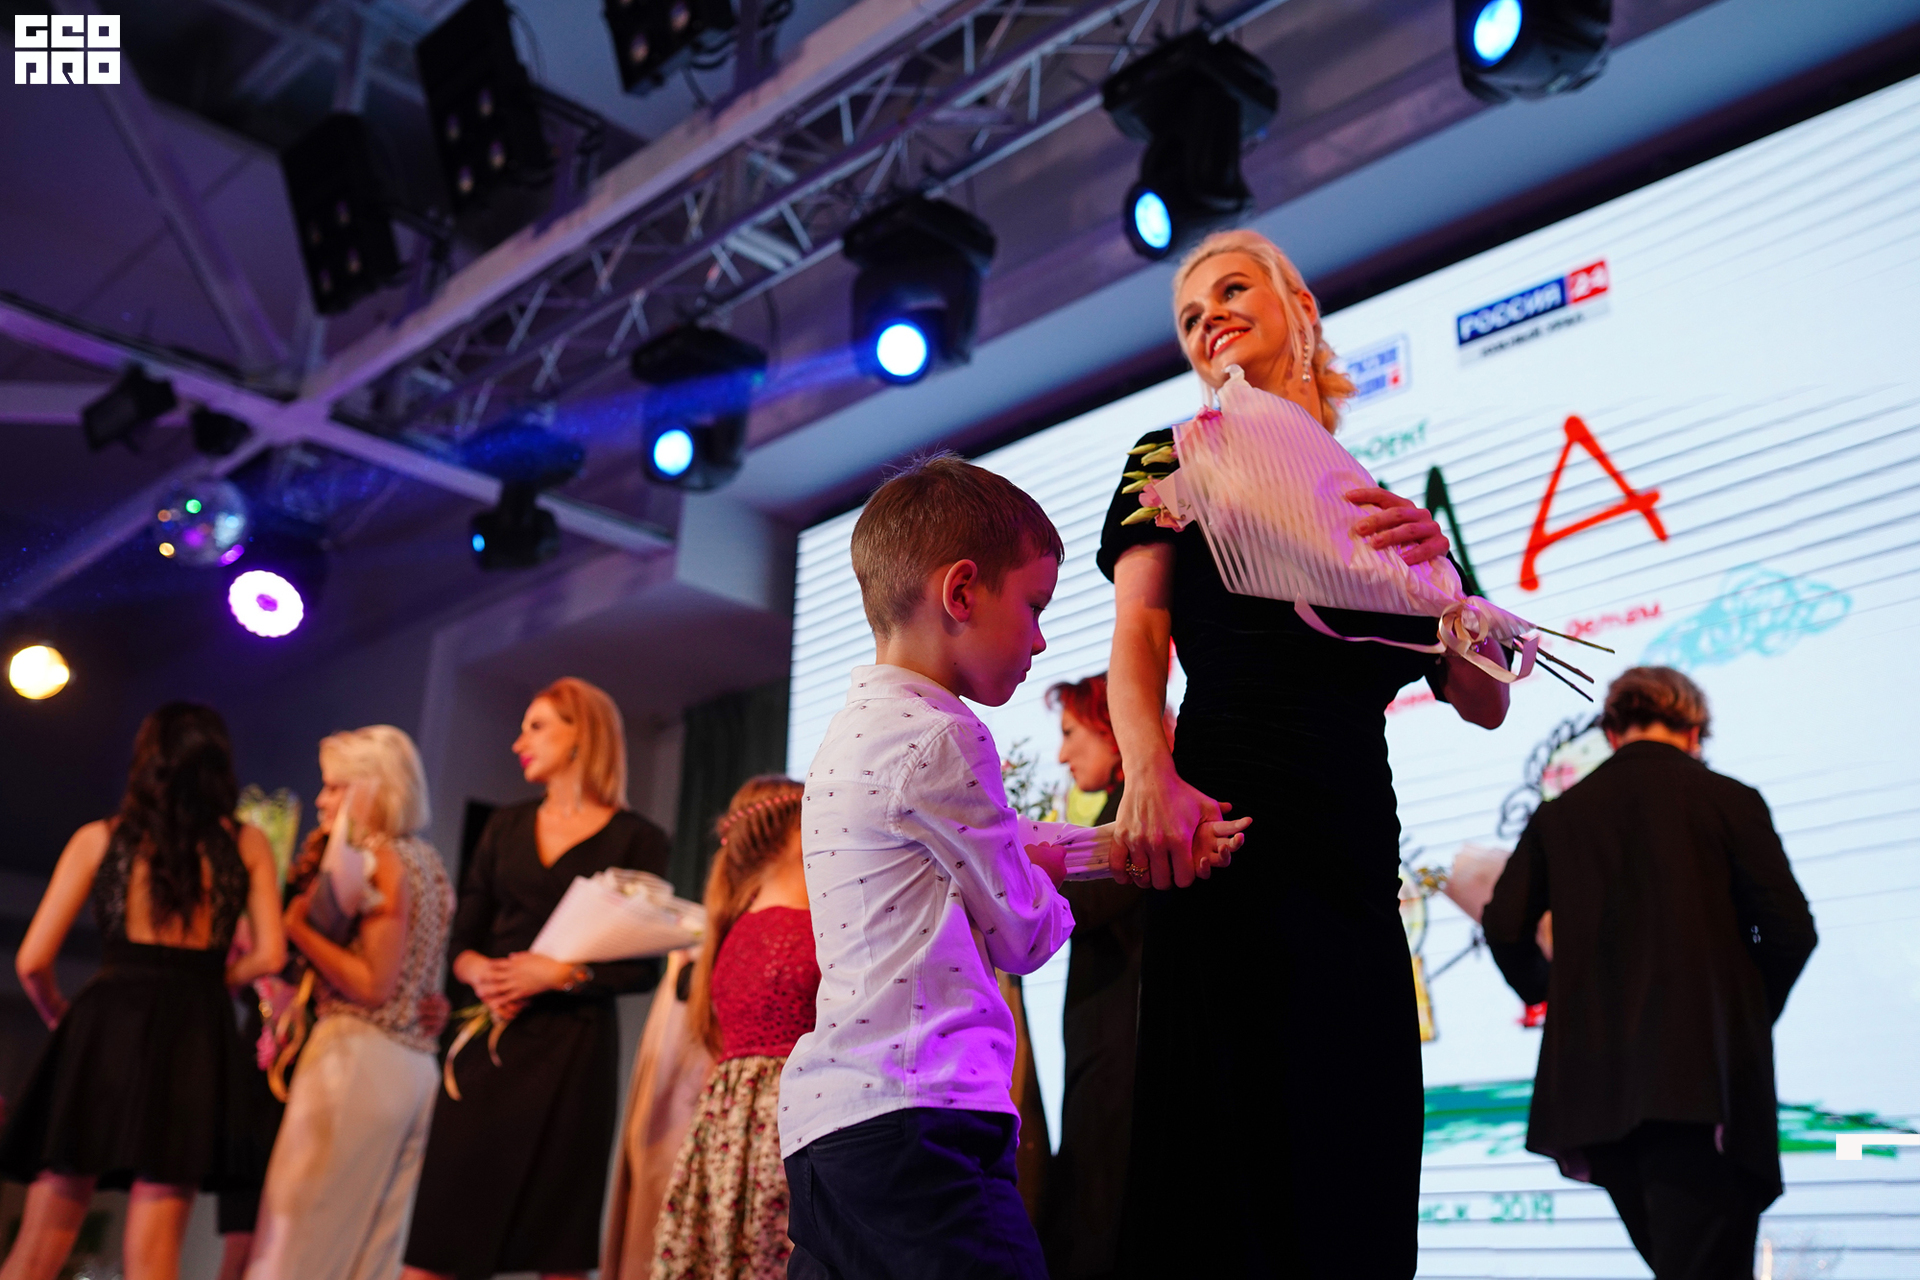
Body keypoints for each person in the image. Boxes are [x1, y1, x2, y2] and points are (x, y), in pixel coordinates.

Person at [1098, 228, 1513, 1277]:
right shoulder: (1171, 454)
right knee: (1226, 1156)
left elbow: (1485, 702)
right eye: (1190, 317)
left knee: (1350, 1151)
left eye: (1231, 290)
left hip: (1352, 844)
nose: (1209, 320)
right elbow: (1139, 637)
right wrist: (1148, 772)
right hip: (1224, 818)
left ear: (1300, 305)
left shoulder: (1373, 500)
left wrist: (1449, 584)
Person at [780, 455, 1249, 1280]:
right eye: (1033, 607)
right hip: (923, 1120)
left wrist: (1124, 843)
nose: (1039, 639)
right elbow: (1025, 933)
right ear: (962, 593)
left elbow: (1010, 839)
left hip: (831, 1129)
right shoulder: (945, 736)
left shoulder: (856, 731)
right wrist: (1058, 883)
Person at [1484, 667, 1816, 1278]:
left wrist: (1556, 996)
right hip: (1700, 1089)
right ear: (1695, 731)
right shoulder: (1728, 799)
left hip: (1595, 1097)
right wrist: (1744, 1014)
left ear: (1612, 732)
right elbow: (1791, 931)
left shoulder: (1559, 816)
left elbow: (1504, 927)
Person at [0, 703, 285, 1280]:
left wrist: (61, 1017)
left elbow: (32, 961)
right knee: (154, 1256)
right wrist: (212, 978)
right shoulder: (247, 843)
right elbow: (271, 956)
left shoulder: (99, 838)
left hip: (105, 1028)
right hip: (194, 1034)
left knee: (39, 1247)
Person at [403, 676, 671, 1280]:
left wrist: (561, 973)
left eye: (536, 727)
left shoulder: (639, 838)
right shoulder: (504, 825)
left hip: (574, 1052)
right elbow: (462, 943)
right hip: (490, 1038)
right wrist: (482, 973)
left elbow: (643, 966)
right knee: (440, 1235)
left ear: (582, 734)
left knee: (558, 1239)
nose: (519, 742)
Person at [245, 726, 454, 1280]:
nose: (322, 800)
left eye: (336, 787)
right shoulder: (430, 863)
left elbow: (374, 984)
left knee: (299, 1237)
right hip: (414, 1066)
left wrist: (297, 928)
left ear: (373, 789)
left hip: (358, 1059)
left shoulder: (380, 859)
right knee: (372, 1253)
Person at [651, 776, 816, 1280]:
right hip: (790, 1119)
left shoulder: (734, 925)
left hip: (730, 1125)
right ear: (797, 834)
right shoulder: (804, 926)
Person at [1038, 675, 1140, 1280]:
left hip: (1119, 1059)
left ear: (1113, 729)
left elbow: (1088, 903)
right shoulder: (1120, 812)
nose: (1061, 755)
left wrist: (1025, 860)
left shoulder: (1133, 816)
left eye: (1072, 733)